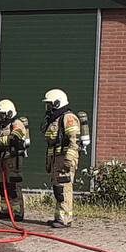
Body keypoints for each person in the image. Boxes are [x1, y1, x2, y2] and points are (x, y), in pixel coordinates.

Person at [42, 89, 87, 227]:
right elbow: (52, 143)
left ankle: (65, 219)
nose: (48, 107)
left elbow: (74, 140)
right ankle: (59, 217)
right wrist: (50, 161)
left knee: (64, 188)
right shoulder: (56, 119)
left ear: (57, 103)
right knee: (58, 189)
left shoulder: (68, 118)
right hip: (58, 158)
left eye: (50, 104)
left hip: (65, 158)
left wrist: (69, 160)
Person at [0, 99, 29, 221]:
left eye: (2, 114)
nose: (0, 117)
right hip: (2, 160)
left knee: (13, 187)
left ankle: (17, 213)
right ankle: (5, 210)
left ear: (9, 113)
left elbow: (14, 140)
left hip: (12, 160)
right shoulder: (1, 127)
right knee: (2, 186)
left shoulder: (17, 124)